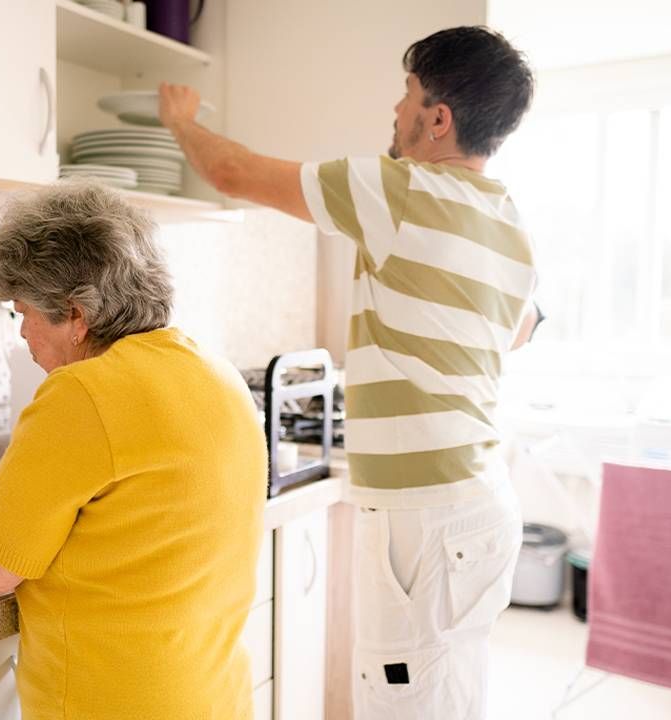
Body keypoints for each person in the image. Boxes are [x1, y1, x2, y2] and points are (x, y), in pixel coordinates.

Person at [159, 25, 537, 720]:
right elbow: (522, 328)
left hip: (424, 517)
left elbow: (233, 174)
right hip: (483, 504)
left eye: (407, 95)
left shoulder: (398, 190)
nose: (395, 112)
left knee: (404, 705)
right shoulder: (508, 221)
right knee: (449, 695)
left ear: (438, 119)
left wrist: (181, 121)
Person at [0, 182, 268, 720]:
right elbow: (138, 502)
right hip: (213, 697)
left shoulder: (81, 394)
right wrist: (10, 483)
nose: (24, 332)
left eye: (23, 311)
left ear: (77, 315)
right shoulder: (212, 372)